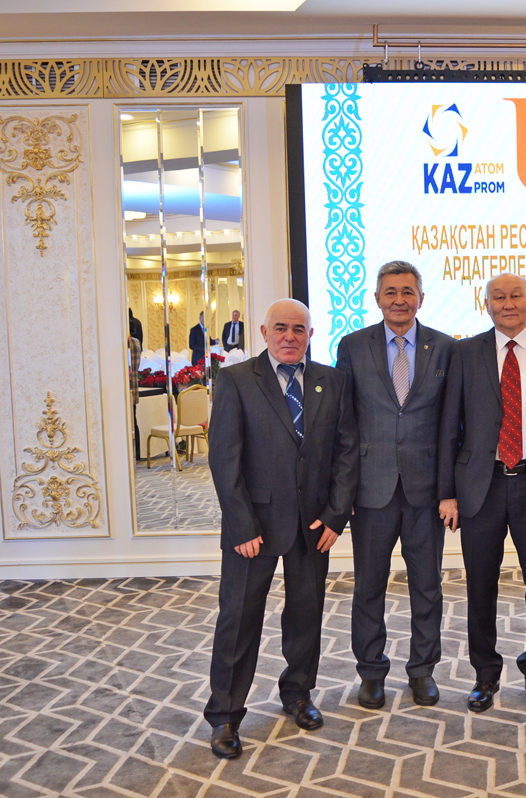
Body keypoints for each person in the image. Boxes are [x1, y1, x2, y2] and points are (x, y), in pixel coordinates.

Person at [203, 298, 358, 760]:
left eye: (298, 329)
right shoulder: (235, 379)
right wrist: (241, 524)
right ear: (264, 332)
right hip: (254, 527)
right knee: (238, 620)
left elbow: (347, 452)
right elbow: (224, 458)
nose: (289, 336)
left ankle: (298, 694)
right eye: (280, 328)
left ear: (310, 334)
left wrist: (336, 515)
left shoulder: (333, 380)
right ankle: (225, 715)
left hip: (314, 525)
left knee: (306, 615)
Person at [438, 272, 526, 712]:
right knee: (480, 584)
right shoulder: (464, 352)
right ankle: (485, 673)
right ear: (487, 305)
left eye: (516, 295)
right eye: (498, 297)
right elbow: (449, 426)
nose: (508, 303)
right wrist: (447, 492)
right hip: (482, 485)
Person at [336, 260, 456, 710]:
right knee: (369, 586)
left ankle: (422, 670)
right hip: (371, 490)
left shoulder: (445, 348)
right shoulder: (353, 346)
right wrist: (344, 490)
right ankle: (371, 672)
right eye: (391, 292)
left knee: (427, 586)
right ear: (377, 299)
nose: (399, 300)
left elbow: (453, 424)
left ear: (421, 299)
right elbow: (344, 423)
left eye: (408, 292)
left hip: (426, 491)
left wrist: (449, 489)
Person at [128, 334, 142, 461]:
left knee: (129, 422)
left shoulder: (125, 343)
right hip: (134, 387)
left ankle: (131, 453)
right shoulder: (136, 342)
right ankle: (136, 453)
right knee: (134, 420)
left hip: (127, 388)